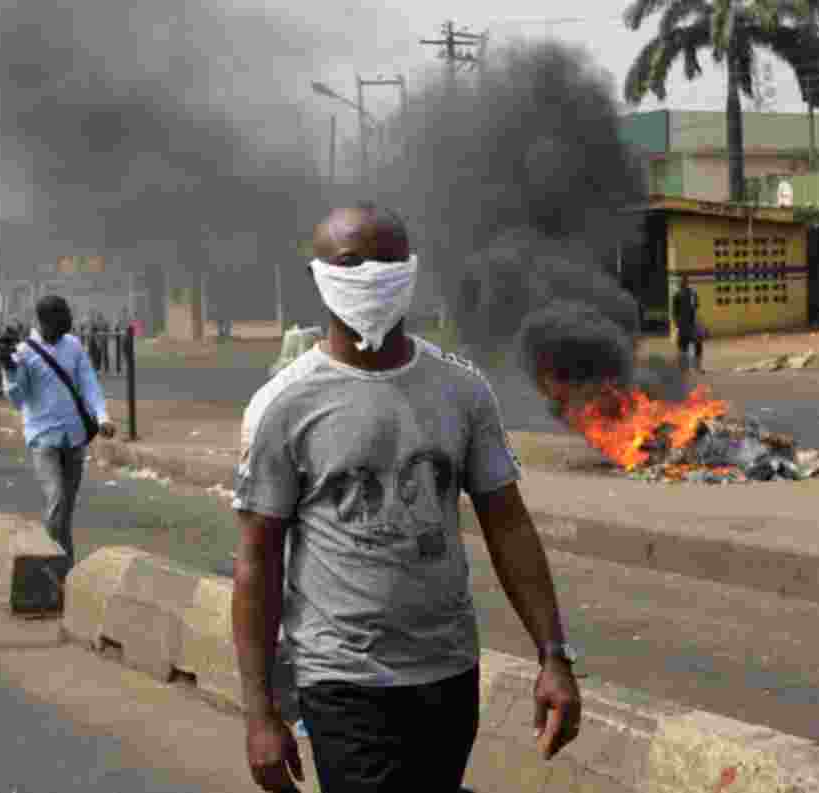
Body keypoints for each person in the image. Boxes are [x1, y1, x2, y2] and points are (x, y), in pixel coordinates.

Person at [231, 204, 582, 793]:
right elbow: (257, 560)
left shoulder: (462, 392)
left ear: (412, 272)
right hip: (341, 678)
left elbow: (509, 526)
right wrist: (260, 712)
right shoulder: (282, 406)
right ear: (318, 276)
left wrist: (554, 655)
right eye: (351, 262)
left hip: (448, 672)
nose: (371, 274)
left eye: (389, 261)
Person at [0, 296, 115, 570]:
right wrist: (10, 370)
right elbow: (18, 399)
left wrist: (102, 416)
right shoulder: (24, 352)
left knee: (65, 511)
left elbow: (89, 383)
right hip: (43, 438)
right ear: (44, 321)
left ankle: (65, 566)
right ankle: (49, 563)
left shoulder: (73, 345)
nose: (67, 323)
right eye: (61, 318)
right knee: (57, 499)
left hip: (74, 438)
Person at [672, 274, 703, 372]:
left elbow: (697, 305)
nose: (683, 283)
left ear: (686, 283)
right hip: (683, 324)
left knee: (697, 345)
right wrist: (677, 322)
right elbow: (674, 311)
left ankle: (696, 367)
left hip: (692, 323)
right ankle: (684, 367)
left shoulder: (692, 293)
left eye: (684, 281)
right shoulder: (677, 295)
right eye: (681, 281)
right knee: (683, 347)